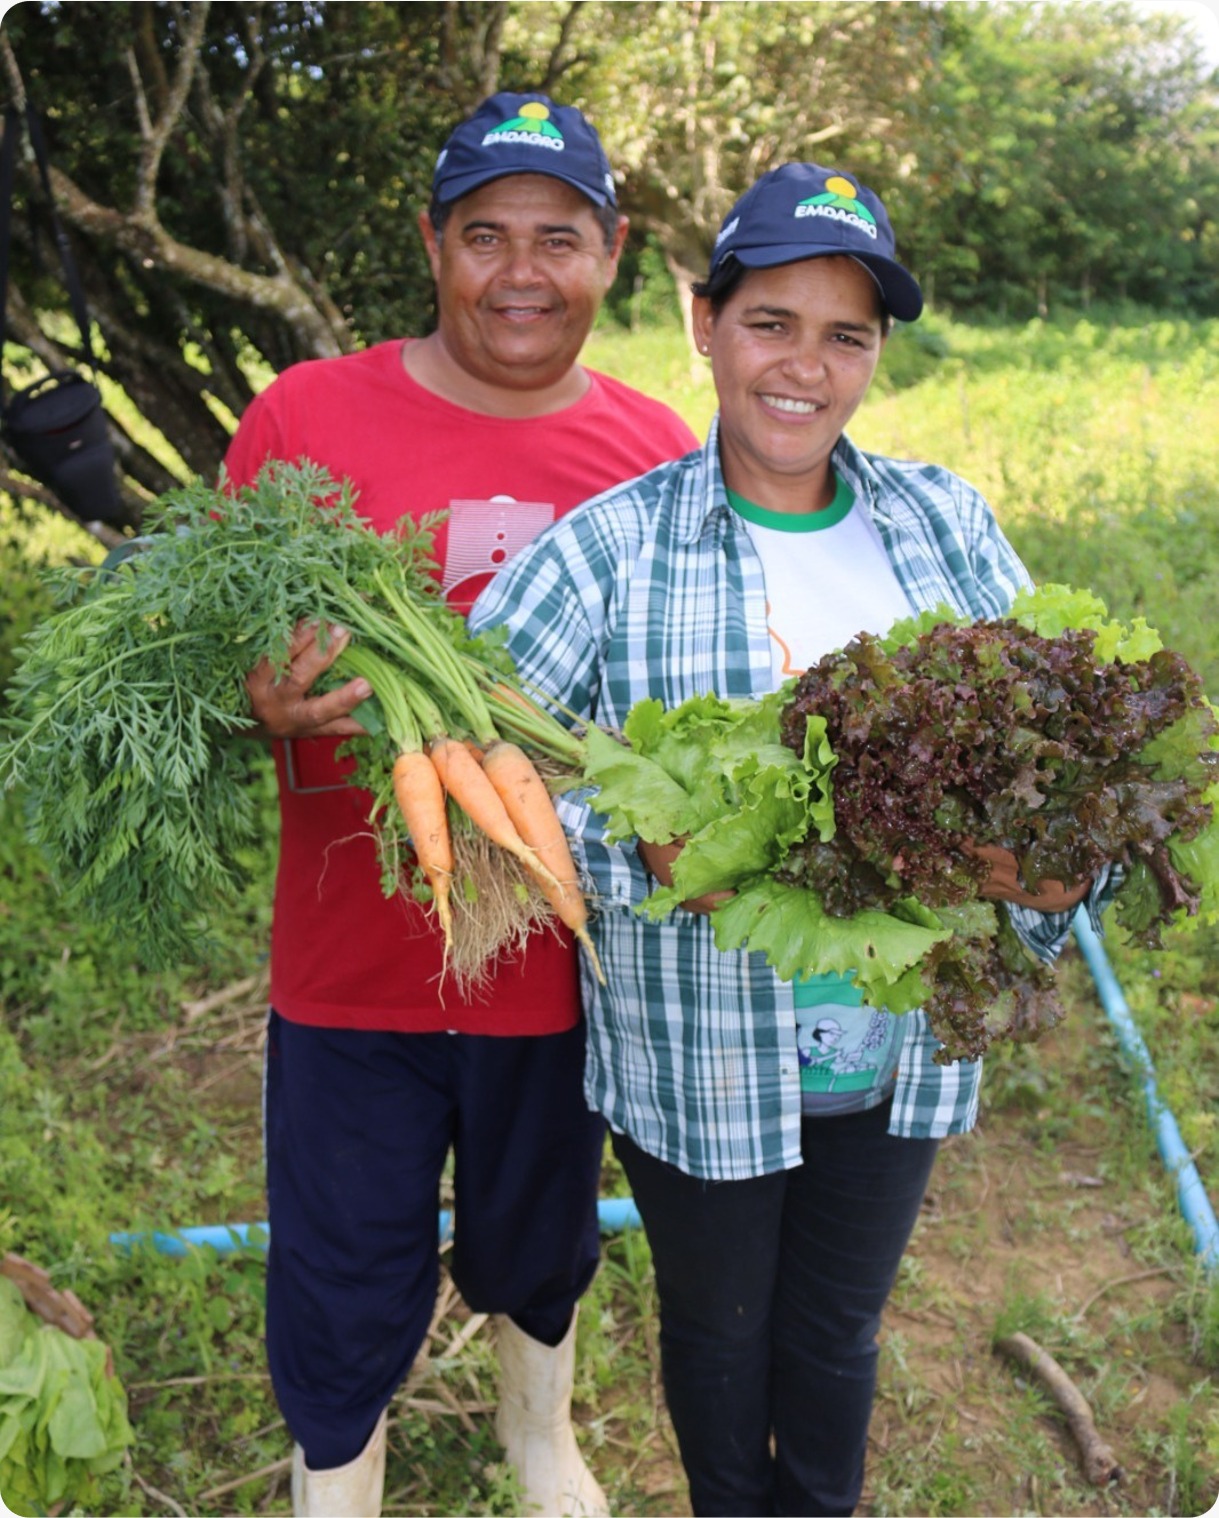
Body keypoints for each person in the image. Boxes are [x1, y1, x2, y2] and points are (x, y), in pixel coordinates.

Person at [470, 161, 1108, 1516]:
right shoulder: (605, 551)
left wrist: (1062, 865)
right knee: (718, 1336)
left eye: (846, 335)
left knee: (833, 1334)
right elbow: (483, 761)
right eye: (772, 322)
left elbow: (1057, 754)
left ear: (876, 352)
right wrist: (624, 837)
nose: (803, 367)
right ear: (705, 322)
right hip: (698, 1050)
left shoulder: (942, 521)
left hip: (898, 1044)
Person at [222, 91, 697, 1518]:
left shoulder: (659, 449)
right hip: (349, 962)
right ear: (432, 244)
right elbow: (229, 643)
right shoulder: (306, 416)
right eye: (484, 235)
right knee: (342, 1252)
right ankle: (336, 1479)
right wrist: (261, 694)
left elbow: (679, 690)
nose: (520, 272)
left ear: (610, 252)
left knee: (536, 1236)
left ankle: (537, 1437)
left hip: (556, 960)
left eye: (558, 237)